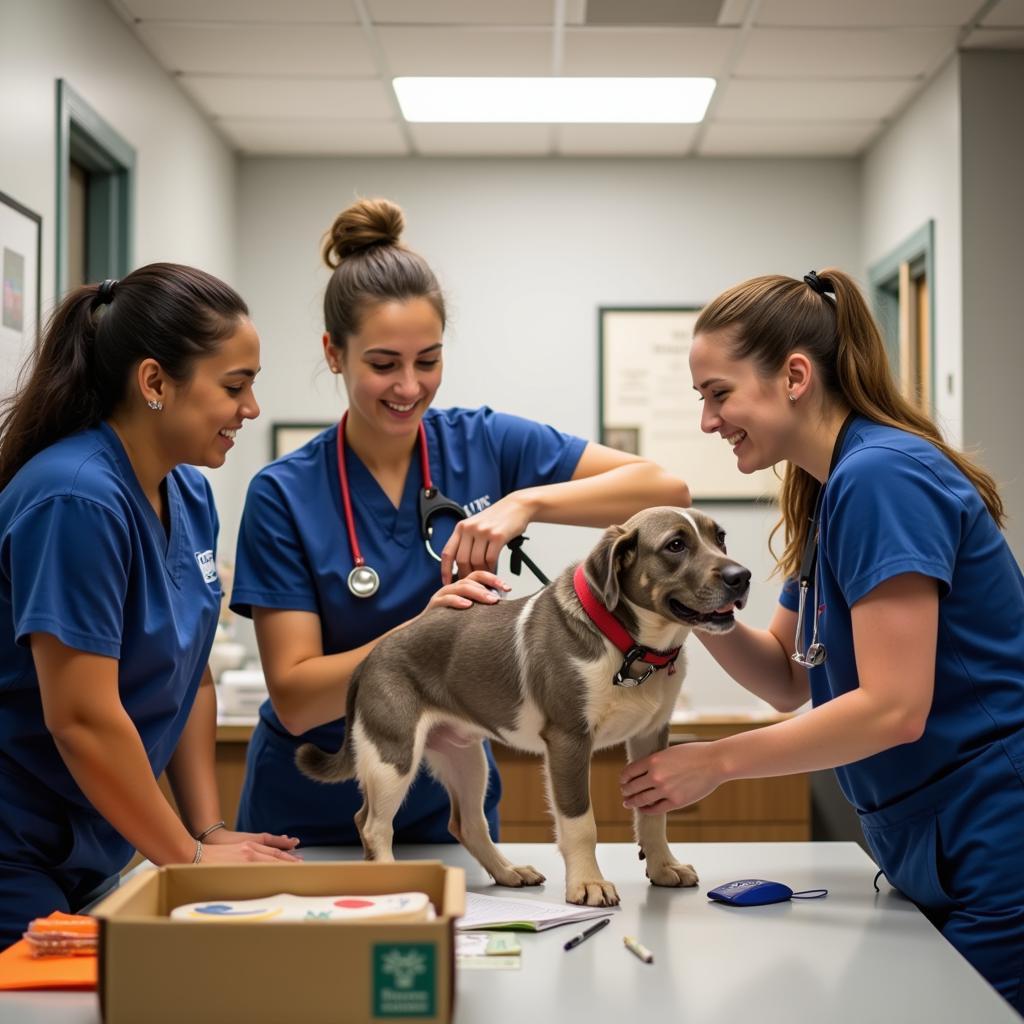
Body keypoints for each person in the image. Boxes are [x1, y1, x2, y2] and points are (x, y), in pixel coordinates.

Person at [620, 268, 1024, 1012]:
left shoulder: (882, 480)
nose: (709, 421)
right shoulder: (831, 489)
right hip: (926, 837)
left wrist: (716, 761)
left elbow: (893, 708)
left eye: (718, 394)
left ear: (795, 376)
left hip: (993, 831)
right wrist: (688, 606)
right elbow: (785, 675)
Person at [230, 197, 691, 847]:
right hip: (308, 812)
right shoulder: (283, 494)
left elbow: (666, 488)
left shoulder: (484, 442)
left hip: (450, 809)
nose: (410, 387)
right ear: (334, 353)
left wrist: (526, 502)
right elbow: (299, 697)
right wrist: (422, 637)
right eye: (383, 363)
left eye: (429, 360)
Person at [0, 264, 300, 950]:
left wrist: (207, 830)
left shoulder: (188, 495)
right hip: (16, 850)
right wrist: (186, 858)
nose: (251, 410)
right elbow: (80, 717)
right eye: (235, 386)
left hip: (97, 849)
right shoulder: (75, 499)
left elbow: (189, 677)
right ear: (155, 383)